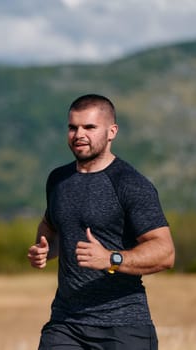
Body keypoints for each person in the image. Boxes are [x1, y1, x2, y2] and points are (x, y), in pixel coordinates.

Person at [27, 94, 175, 350]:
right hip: (66, 323)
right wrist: (45, 249)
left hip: (123, 326)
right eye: (73, 127)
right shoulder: (58, 180)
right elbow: (51, 226)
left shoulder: (130, 184)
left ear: (111, 132)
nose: (78, 134)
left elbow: (165, 253)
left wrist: (111, 259)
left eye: (89, 127)